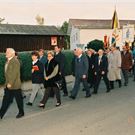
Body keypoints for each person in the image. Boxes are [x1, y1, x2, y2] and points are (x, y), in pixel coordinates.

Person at [0, 48, 24, 119]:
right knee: (6, 99)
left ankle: (21, 112)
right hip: (8, 85)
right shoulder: (8, 61)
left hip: (15, 85)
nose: (6, 53)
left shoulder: (15, 61)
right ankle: (1, 114)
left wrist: (10, 83)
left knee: (18, 99)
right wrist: (7, 83)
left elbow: (15, 73)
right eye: (6, 52)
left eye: (7, 52)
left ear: (12, 54)